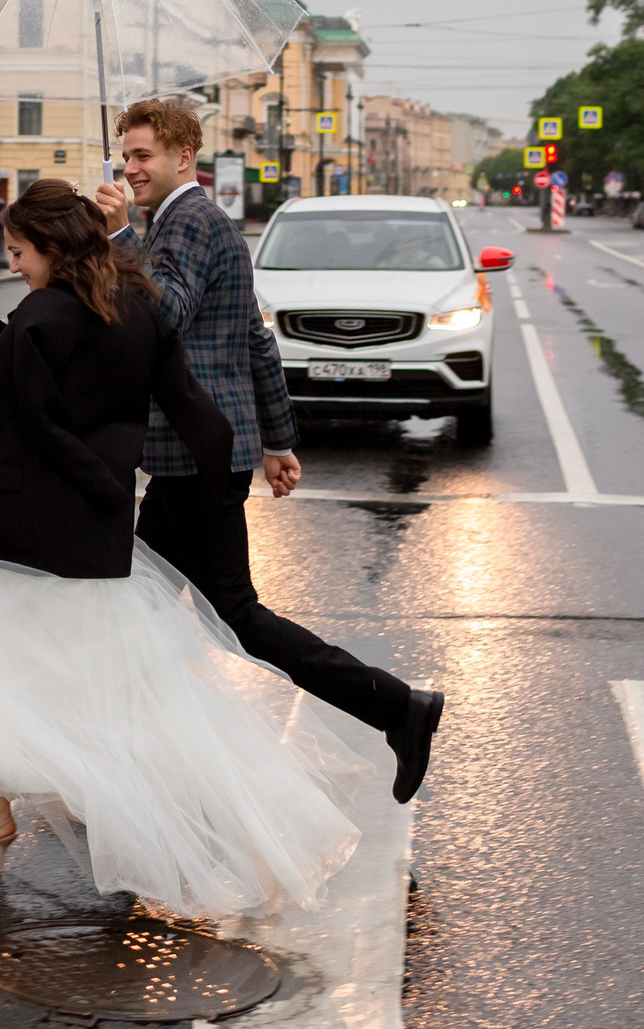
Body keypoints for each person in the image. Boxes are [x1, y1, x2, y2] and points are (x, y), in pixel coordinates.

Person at [0, 180, 369, 917]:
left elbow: (31, 424)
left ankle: (246, 842)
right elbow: (191, 408)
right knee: (38, 673)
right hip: (97, 534)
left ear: (48, 246)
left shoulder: (44, 315)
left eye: (17, 250)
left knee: (99, 698)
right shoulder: (136, 301)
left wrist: (83, 483)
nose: (14, 264)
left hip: (43, 534)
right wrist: (220, 475)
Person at [92, 97, 445, 803]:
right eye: (126, 156)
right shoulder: (191, 220)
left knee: (223, 612)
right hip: (199, 450)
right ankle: (139, 755)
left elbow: (162, 314)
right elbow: (254, 336)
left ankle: (398, 706)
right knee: (136, 599)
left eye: (143, 156)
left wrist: (118, 238)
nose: (130, 167)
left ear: (183, 156)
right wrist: (278, 438)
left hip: (196, 452)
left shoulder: (184, 221)